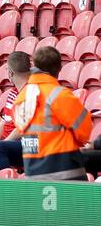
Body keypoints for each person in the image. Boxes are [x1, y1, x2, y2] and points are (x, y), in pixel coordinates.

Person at [12, 46, 93, 181]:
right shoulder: (59, 95)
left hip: (32, 171)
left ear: (35, 66)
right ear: (59, 68)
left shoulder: (22, 96)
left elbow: (21, 127)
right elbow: (84, 130)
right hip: (65, 172)